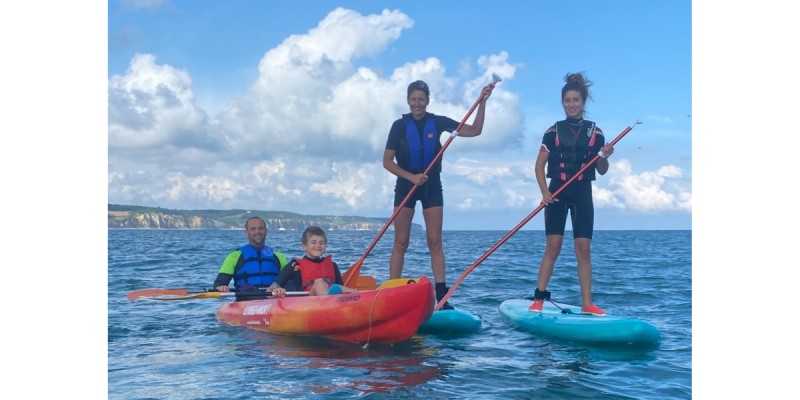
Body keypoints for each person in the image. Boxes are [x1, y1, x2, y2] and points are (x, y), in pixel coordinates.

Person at [383, 79, 496, 309]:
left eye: (421, 99)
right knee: (401, 241)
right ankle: (392, 291)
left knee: (435, 242)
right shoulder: (399, 126)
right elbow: (387, 161)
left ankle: (442, 296)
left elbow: (475, 130)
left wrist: (483, 101)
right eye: (413, 99)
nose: (417, 103)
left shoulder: (439, 122)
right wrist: (411, 177)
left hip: (432, 186)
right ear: (408, 100)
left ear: (427, 101)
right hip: (406, 184)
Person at [529, 72, 615, 316]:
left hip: (582, 194)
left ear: (583, 102)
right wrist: (545, 192)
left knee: (583, 248)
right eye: (567, 100)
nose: (572, 104)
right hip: (556, 192)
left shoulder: (595, 132)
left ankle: (587, 303)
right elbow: (539, 166)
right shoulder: (552, 131)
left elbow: (602, 170)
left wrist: (605, 157)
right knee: (553, 246)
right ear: (562, 103)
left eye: (576, 100)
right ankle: (538, 299)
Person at [213, 216, 290, 299]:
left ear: (266, 231)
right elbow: (219, 284)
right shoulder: (234, 257)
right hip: (246, 300)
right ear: (246, 233)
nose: (257, 232)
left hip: (274, 300)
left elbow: (291, 282)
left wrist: (283, 289)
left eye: (261, 228)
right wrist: (222, 288)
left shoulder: (279, 257)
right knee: (246, 288)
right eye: (253, 229)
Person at [274, 226, 357, 296]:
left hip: (330, 298)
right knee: (319, 282)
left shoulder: (333, 265)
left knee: (337, 287)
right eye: (313, 242)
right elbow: (274, 287)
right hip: (307, 303)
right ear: (304, 246)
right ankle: (329, 307)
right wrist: (278, 291)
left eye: (321, 243)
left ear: (326, 246)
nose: (318, 246)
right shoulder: (294, 265)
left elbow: (341, 288)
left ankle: (361, 298)